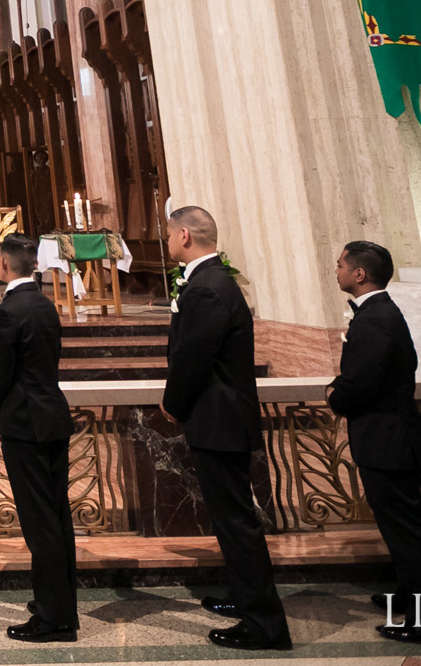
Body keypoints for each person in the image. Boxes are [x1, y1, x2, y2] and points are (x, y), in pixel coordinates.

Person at [160, 205, 290, 651]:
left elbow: (193, 356)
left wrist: (173, 403)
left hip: (219, 419)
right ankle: (242, 597)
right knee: (231, 519)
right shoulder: (211, 281)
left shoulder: (208, 288)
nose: (166, 239)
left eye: (168, 233)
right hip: (220, 418)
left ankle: (265, 625)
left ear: (184, 236)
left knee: (237, 523)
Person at [324, 240, 421, 645]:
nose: (337, 269)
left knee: (408, 534)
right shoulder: (380, 313)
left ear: (360, 274)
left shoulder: (375, 318)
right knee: (401, 531)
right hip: (389, 437)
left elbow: (362, 382)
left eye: (342, 264)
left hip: (388, 441)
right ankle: (411, 596)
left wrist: (334, 395)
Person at [0, 232, 76, 643]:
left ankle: (53, 619)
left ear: (3, 265)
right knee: (57, 517)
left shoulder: (7, 312)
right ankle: (58, 604)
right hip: (53, 416)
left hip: (24, 423)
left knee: (40, 525)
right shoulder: (45, 305)